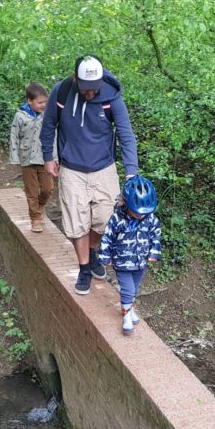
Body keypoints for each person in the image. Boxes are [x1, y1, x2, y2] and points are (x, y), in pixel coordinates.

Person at [40, 54, 139, 295]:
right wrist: (48, 156)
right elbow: (49, 125)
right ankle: (84, 267)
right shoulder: (62, 92)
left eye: (95, 89)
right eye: (86, 89)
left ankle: (91, 251)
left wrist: (131, 173)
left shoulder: (111, 96)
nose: (91, 94)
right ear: (75, 79)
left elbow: (126, 134)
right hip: (72, 168)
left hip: (104, 168)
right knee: (77, 224)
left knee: (107, 220)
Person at [98, 175, 161, 335]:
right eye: (137, 211)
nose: (140, 215)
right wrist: (105, 256)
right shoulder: (117, 219)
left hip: (141, 262)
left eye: (144, 212)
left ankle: (130, 310)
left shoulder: (151, 219)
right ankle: (126, 317)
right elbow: (107, 237)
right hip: (122, 262)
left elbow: (155, 236)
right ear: (125, 202)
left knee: (135, 288)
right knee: (127, 290)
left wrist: (154, 253)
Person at [9, 81, 54, 233]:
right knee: (32, 191)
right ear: (29, 100)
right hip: (27, 159)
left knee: (48, 188)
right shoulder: (20, 116)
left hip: (44, 158)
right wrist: (15, 157)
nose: (43, 105)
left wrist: (55, 157)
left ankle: (40, 207)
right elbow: (14, 137)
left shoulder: (48, 116)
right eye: (40, 102)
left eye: (45, 102)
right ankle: (35, 218)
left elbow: (54, 136)